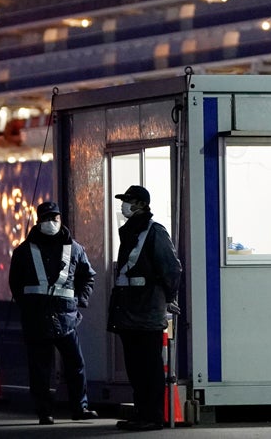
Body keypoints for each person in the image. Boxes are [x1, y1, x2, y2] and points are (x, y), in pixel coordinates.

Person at [8, 200, 100, 425]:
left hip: (65, 318)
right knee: (40, 368)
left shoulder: (74, 249)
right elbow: (16, 283)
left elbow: (87, 276)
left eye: (54, 218)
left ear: (60, 219)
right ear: (39, 221)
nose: (51, 222)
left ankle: (80, 408)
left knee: (75, 365)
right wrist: (28, 306)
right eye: (47, 218)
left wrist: (78, 300)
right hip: (38, 317)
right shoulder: (24, 251)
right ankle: (44, 412)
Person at [107, 184, 182, 432]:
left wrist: (169, 298)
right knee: (136, 368)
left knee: (149, 367)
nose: (123, 205)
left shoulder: (155, 232)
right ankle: (141, 413)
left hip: (147, 310)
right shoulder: (130, 232)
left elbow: (171, 268)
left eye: (128, 200)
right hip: (129, 310)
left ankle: (152, 416)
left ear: (141, 204)